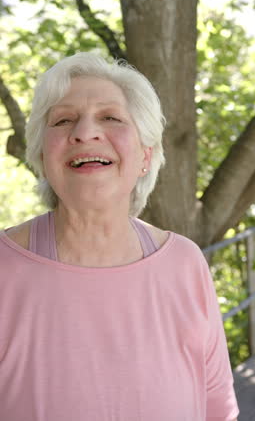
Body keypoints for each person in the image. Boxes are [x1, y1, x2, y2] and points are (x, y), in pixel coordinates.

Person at [0, 52, 239, 421]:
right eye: (63, 120)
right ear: (42, 156)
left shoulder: (185, 263)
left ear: (147, 154)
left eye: (110, 117)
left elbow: (217, 406)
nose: (84, 132)